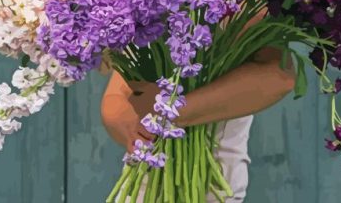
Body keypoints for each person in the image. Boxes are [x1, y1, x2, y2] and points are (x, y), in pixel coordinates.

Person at [100, 14, 296, 202]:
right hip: (144, 177)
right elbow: (123, 92)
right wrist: (120, 116)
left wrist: (171, 112)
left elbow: (279, 77)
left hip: (210, 185)